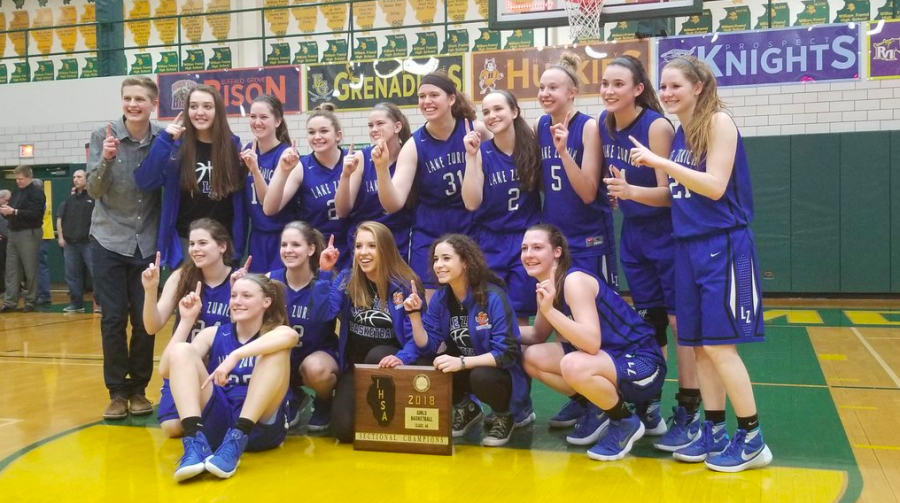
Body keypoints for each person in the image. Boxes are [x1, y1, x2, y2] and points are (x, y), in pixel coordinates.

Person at [607, 55, 771, 472]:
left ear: (698, 86)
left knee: (719, 346)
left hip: (723, 245)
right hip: (688, 246)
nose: (666, 93)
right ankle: (713, 429)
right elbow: (679, 193)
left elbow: (715, 187)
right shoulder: (682, 132)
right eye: (663, 86)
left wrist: (660, 163)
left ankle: (752, 437)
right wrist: (633, 190)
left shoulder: (718, 122)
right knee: (698, 347)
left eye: (674, 85)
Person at [598, 55, 702, 448]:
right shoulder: (605, 126)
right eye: (605, 83)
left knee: (680, 327)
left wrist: (631, 192)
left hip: (667, 238)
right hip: (634, 239)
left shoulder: (656, 126)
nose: (608, 90)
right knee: (649, 327)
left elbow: (674, 194)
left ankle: (690, 410)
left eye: (618, 84)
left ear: (638, 89)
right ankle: (649, 402)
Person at [520, 224, 666, 461]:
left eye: (537, 247)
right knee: (532, 357)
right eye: (525, 248)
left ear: (557, 252)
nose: (528, 254)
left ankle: (624, 421)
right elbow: (537, 335)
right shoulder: (548, 283)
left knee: (573, 364)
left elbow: (590, 343)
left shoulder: (573, 281)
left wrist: (550, 311)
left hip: (642, 363)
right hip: (607, 359)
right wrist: (495, 329)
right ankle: (598, 407)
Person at [536, 52, 618, 435]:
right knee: (560, 326)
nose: (545, 93)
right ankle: (585, 397)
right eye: (541, 87)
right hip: (558, 244)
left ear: (572, 92)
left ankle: (610, 402)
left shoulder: (588, 127)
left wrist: (564, 150)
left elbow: (587, 192)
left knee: (593, 327)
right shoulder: (539, 126)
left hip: (588, 240)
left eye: (553, 87)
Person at [162, 273, 295, 481]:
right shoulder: (214, 334)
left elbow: (290, 336)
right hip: (220, 421)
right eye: (234, 296)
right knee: (180, 350)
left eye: (246, 296)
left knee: (277, 350)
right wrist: (186, 322)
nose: (237, 301)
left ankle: (238, 438)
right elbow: (167, 369)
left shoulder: (276, 332)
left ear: (266, 302)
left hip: (259, 427)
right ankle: (195, 442)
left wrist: (236, 355)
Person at [370, 72, 491, 300]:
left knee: (472, 301)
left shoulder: (475, 129)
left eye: (434, 95)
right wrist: (382, 168)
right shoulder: (414, 144)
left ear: (451, 99)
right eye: (422, 96)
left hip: (469, 228)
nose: (427, 101)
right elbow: (393, 203)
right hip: (430, 233)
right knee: (431, 305)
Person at [87, 76, 162, 420]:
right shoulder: (104, 135)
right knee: (114, 318)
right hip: (108, 240)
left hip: (147, 242)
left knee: (146, 321)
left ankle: (139, 388)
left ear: (152, 104)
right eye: (128, 98)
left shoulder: (162, 138)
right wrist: (105, 158)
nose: (133, 104)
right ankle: (117, 391)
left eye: (140, 99)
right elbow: (93, 190)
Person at [414, 234, 533, 447]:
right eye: (435, 259)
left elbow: (507, 353)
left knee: (481, 375)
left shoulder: (493, 297)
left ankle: (505, 415)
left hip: (500, 373)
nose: (438, 265)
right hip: (466, 365)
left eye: (446, 259)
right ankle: (467, 408)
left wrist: (461, 363)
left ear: (466, 262)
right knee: (425, 365)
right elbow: (428, 346)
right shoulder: (441, 299)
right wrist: (414, 315)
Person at [319, 221, 430, 443]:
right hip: (356, 368)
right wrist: (324, 273)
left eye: (372, 246)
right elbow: (325, 314)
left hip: (393, 364)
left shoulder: (405, 284)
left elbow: (416, 338)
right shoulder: (347, 279)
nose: (363, 253)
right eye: (359, 246)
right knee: (343, 431)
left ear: (385, 249)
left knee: (377, 354)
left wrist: (401, 358)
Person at [135, 84, 247, 270]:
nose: (200, 112)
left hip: (223, 243)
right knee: (186, 298)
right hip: (185, 242)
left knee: (221, 298)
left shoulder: (233, 147)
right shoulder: (175, 145)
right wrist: (164, 141)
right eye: (193, 106)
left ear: (217, 111)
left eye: (207, 107)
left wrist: (238, 248)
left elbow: (239, 205)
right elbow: (145, 181)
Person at [143, 218, 237, 437]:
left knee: (221, 422)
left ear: (222, 246)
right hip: (185, 364)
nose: (195, 249)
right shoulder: (180, 277)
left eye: (203, 243)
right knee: (172, 428)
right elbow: (151, 326)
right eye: (192, 244)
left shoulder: (238, 280)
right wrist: (150, 290)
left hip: (222, 368)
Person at [461, 90, 541, 322]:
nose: (491, 116)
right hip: (490, 241)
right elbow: (471, 202)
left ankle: (522, 358)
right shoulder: (481, 152)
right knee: (487, 315)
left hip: (524, 242)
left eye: (498, 109)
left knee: (520, 317)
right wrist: (470, 157)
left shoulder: (532, 149)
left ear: (514, 112)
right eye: (486, 112)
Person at [265, 221, 339, 431]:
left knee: (315, 369)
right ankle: (293, 395)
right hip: (282, 361)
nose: (288, 250)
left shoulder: (327, 280)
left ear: (311, 249)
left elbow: (324, 317)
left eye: (296, 245)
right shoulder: (270, 281)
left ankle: (324, 401)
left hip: (317, 355)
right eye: (284, 245)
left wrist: (325, 273)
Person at [264, 103, 351, 270]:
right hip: (317, 247)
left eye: (324, 131)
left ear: (338, 135)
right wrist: (282, 171)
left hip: (350, 243)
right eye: (311, 132)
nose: (317, 137)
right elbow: (270, 208)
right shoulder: (301, 166)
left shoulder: (353, 159)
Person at [334, 102, 413, 259]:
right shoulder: (361, 157)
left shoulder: (410, 153)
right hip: (365, 238)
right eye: (370, 125)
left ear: (397, 127)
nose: (374, 129)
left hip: (399, 237)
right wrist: (345, 176)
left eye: (380, 124)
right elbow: (342, 211)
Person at [242, 95, 297, 273]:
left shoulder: (286, 154)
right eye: (253, 116)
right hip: (257, 235)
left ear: (278, 121)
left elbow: (268, 204)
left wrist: (256, 171)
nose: (257, 122)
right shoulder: (247, 149)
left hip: (281, 236)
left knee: (278, 292)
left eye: (264, 117)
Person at [0, 165, 47, 313]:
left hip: (29, 232)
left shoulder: (37, 194)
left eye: (20, 179)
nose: (18, 181)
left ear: (29, 177)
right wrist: (5, 211)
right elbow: (13, 211)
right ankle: (10, 301)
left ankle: (31, 301)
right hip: (13, 232)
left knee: (30, 267)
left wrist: (13, 211)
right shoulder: (16, 192)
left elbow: (35, 214)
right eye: (16, 179)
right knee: (11, 269)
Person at [57, 170, 96, 313]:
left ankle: (102, 304)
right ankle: (76, 303)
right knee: (72, 274)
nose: (76, 179)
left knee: (96, 273)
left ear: (87, 179)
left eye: (79, 177)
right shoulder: (69, 200)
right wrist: (61, 237)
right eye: (74, 177)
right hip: (71, 243)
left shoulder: (93, 198)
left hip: (88, 243)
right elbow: (61, 219)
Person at [35, 178, 54, 307]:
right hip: (44, 234)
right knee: (39, 267)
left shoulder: (39, 200)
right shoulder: (45, 199)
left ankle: (44, 295)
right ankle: (40, 294)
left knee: (40, 267)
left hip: (41, 235)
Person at [0, 190, 10, 294]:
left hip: (9, 241)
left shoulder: (8, 210)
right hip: (2, 241)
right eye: (6, 200)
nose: (8, 202)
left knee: (9, 266)